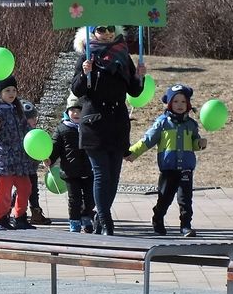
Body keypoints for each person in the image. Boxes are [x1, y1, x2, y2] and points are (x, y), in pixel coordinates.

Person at [71, 25, 146, 235]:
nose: (106, 33)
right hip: (94, 123)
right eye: (101, 29)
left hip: (118, 123)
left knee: (113, 176)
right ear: (93, 32)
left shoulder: (122, 55)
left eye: (110, 29)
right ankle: (106, 221)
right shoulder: (87, 55)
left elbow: (135, 91)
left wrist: (140, 77)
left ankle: (99, 217)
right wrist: (85, 72)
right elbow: (77, 89)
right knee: (101, 174)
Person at [125, 84, 207, 237]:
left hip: (186, 169)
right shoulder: (162, 123)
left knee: (185, 200)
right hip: (168, 169)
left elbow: (195, 143)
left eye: (183, 102)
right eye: (176, 102)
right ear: (169, 104)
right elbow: (148, 140)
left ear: (188, 104)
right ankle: (158, 217)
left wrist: (200, 144)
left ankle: (185, 226)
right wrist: (133, 152)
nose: (180, 105)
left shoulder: (191, 124)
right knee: (165, 198)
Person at [0, 75, 36, 230]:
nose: (12, 93)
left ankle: (19, 216)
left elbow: (26, 130)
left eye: (14, 90)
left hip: (19, 158)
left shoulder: (16, 108)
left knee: (26, 186)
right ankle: (0, 219)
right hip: (3, 158)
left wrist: (35, 140)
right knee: (4, 191)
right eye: (7, 90)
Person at [45, 93, 94, 233]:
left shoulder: (89, 127)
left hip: (88, 170)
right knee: (74, 199)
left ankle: (85, 215)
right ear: (67, 112)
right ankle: (74, 221)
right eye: (73, 110)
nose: (76, 113)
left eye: (79, 110)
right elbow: (55, 147)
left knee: (90, 198)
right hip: (70, 172)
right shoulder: (62, 129)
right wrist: (50, 159)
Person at [11, 99, 51, 225]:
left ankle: (36, 213)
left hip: (31, 169)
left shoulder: (35, 134)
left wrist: (45, 157)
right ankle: (9, 209)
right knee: (22, 190)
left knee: (33, 190)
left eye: (34, 118)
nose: (33, 121)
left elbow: (41, 149)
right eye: (30, 118)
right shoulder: (18, 134)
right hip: (20, 169)